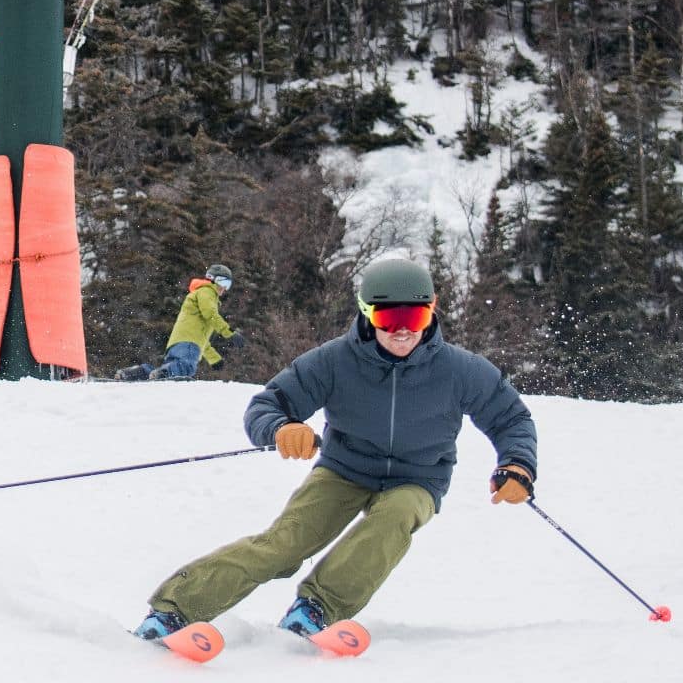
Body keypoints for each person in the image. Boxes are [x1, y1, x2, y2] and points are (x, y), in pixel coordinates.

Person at [132, 255, 537, 650]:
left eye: (413, 318)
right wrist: (282, 428)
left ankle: (317, 608)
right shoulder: (335, 361)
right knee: (285, 544)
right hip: (344, 469)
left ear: (431, 313)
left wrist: (517, 464)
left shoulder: (460, 370)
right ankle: (174, 610)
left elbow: (511, 418)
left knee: (394, 517)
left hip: (418, 477)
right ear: (366, 314)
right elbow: (267, 405)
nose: (402, 331)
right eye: (387, 319)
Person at [149, 264, 240, 380]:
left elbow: (201, 337)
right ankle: (163, 372)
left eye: (228, 285)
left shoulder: (200, 293)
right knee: (186, 368)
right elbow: (210, 314)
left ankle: (136, 372)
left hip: (179, 342)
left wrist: (214, 358)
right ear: (213, 280)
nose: (225, 289)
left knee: (172, 371)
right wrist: (229, 332)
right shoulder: (207, 292)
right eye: (224, 283)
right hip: (189, 343)